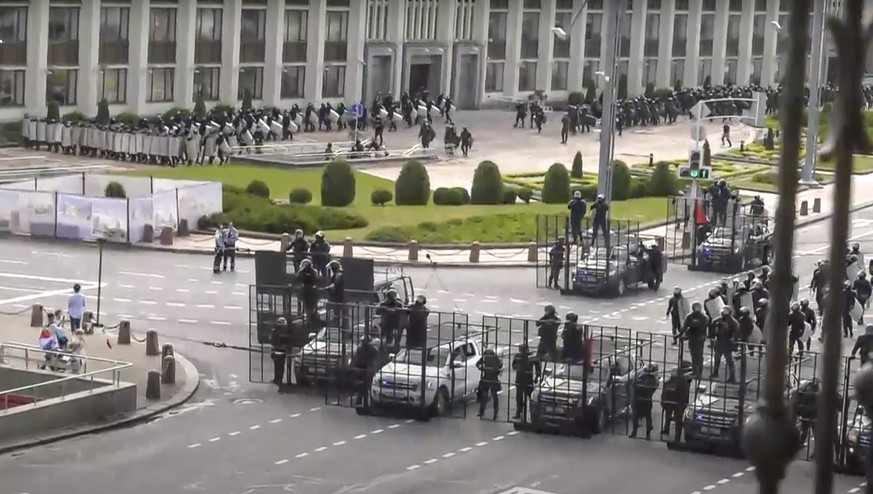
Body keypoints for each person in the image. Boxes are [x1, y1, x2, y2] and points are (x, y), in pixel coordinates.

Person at [629, 363, 660, 440]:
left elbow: (651, 388)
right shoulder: (639, 375)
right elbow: (634, 384)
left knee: (647, 416)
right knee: (635, 416)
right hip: (638, 399)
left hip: (646, 400)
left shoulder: (653, 379)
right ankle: (634, 431)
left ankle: (648, 432)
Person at [511, 342, 540, 420]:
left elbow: (538, 368)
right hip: (522, 379)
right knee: (520, 398)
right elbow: (513, 365)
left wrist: (537, 377)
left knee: (530, 398)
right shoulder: (519, 356)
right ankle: (520, 412)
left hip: (526, 380)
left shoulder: (530, 357)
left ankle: (531, 414)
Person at [661, 364, 690, 441]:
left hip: (678, 403)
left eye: (674, 371)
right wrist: (663, 400)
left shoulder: (682, 382)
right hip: (669, 402)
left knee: (678, 420)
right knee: (668, 415)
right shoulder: (671, 380)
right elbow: (665, 390)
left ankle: (678, 436)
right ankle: (666, 428)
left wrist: (683, 403)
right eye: (672, 371)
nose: (672, 373)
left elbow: (684, 393)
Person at [680, 302, 709, 379]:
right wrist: (681, 333)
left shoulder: (704, 317)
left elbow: (702, 326)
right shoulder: (689, 316)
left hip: (700, 339)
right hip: (692, 339)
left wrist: (693, 325)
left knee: (699, 356)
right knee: (693, 356)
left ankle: (699, 373)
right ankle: (694, 371)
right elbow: (685, 326)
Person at [710, 306, 738, 382]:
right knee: (717, 358)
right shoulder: (717, 320)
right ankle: (715, 372)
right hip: (719, 342)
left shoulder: (733, 322)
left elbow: (736, 333)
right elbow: (712, 329)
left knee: (729, 361)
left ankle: (732, 377)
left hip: (727, 344)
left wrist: (734, 343)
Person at [351, 335, 381, 407]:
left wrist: (373, 368)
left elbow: (376, 359)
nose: (363, 343)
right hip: (362, 369)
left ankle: (367, 402)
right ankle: (362, 401)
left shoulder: (371, 349)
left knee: (367, 386)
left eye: (363, 342)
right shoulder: (361, 349)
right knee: (362, 386)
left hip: (367, 369)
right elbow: (356, 359)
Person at [476, 348, 503, 420]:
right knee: (494, 396)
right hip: (493, 378)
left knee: (484, 396)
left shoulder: (485, 357)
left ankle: (481, 412)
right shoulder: (495, 358)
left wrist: (482, 368)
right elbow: (500, 365)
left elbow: (478, 364)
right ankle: (495, 414)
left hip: (487, 377)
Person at [270, 317, 291, 391]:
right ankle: (277, 379)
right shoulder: (277, 331)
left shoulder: (278, 331)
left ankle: (278, 379)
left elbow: (272, 341)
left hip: (280, 351)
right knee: (278, 366)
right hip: (278, 351)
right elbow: (272, 341)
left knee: (279, 366)